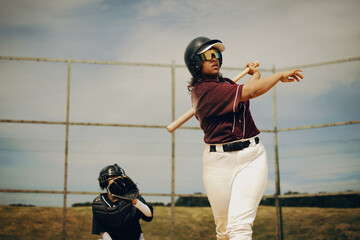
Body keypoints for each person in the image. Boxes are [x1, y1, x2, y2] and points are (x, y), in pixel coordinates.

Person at [184, 37, 303, 240]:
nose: (215, 59)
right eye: (208, 55)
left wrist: (255, 74)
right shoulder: (203, 92)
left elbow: (246, 91)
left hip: (252, 156)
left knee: (239, 227)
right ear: (195, 63)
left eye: (217, 54)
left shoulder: (225, 85)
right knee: (224, 231)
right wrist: (279, 75)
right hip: (218, 163)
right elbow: (251, 91)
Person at [92, 164, 153, 240]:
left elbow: (149, 215)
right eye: (112, 177)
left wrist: (135, 201)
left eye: (118, 177)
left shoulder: (132, 197)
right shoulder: (99, 203)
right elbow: (102, 230)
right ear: (104, 181)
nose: (116, 180)